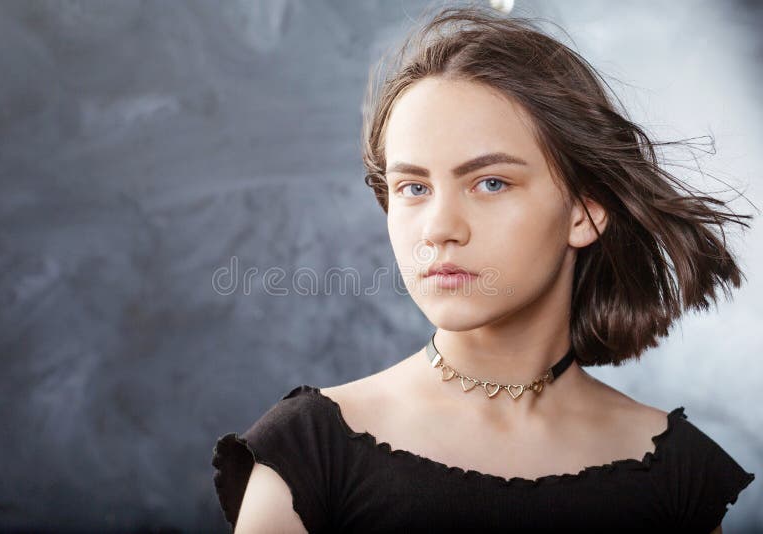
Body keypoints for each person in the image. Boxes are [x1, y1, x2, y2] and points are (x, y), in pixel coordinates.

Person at [212, 4, 756, 532]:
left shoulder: (677, 474)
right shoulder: (307, 453)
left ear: (586, 212)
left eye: (490, 182)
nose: (439, 227)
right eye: (414, 188)